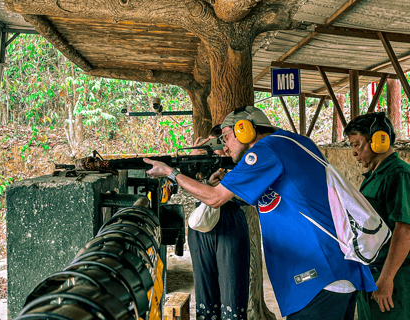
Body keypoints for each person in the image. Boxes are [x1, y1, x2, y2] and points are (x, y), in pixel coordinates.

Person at [144, 105, 377, 320]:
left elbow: (214, 199)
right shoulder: (292, 142)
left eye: (226, 137)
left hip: (318, 278)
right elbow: (284, 196)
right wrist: (231, 185)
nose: (224, 146)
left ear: (244, 130)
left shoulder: (265, 150)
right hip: (338, 270)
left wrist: (170, 172)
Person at [344, 112, 410, 320]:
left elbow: (405, 229)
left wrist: (387, 278)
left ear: (379, 140)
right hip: (371, 274)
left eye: (357, 144)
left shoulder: (398, 174)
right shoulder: (374, 176)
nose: (354, 153)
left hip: (392, 276)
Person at [188, 125, 250, 320]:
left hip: (230, 224)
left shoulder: (242, 161)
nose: (219, 149)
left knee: (233, 289)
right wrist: (195, 158)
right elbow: (183, 184)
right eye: (214, 144)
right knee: (205, 291)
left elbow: (248, 197)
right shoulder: (203, 162)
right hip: (202, 225)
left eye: (223, 143)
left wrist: (226, 182)